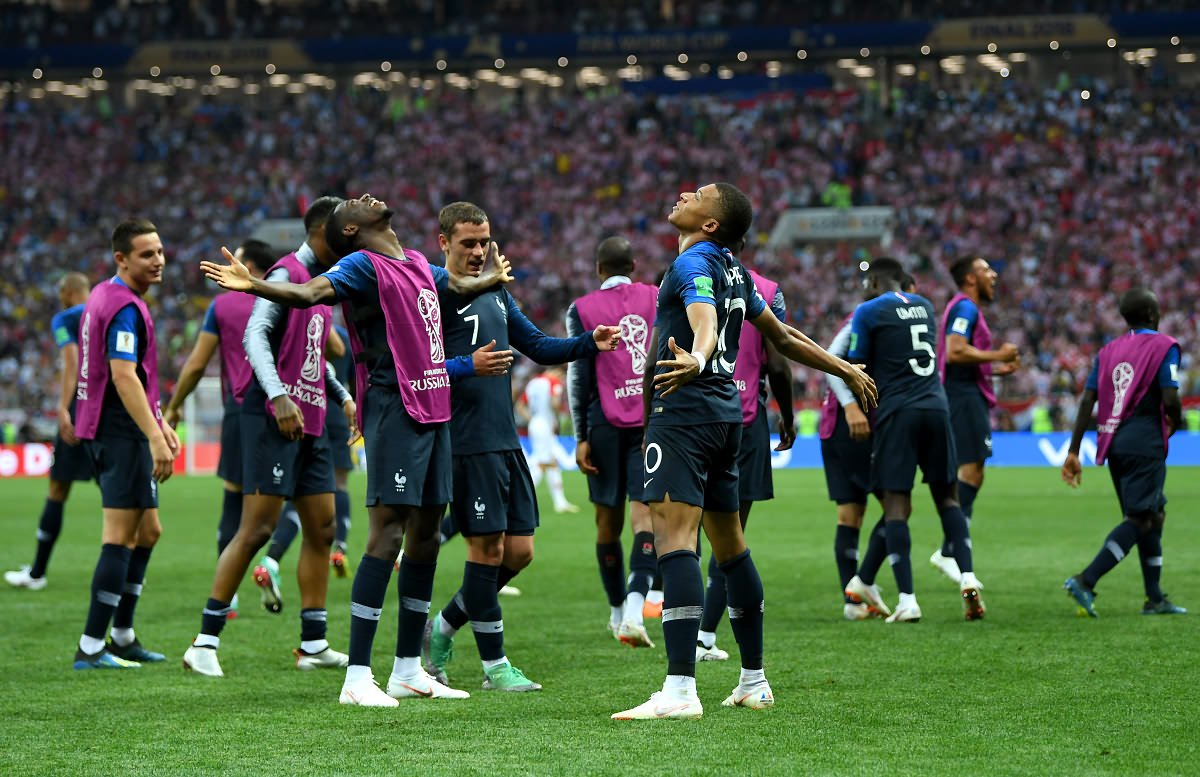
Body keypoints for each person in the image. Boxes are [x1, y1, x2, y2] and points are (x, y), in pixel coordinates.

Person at [201, 193, 513, 706]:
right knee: (386, 535)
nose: (367, 197)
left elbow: (455, 285)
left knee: (427, 537)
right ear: (350, 228)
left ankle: (408, 670)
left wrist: (490, 279)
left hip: (435, 405)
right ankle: (357, 677)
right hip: (394, 409)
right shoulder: (361, 266)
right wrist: (255, 284)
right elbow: (309, 293)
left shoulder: (415, 261)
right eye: (356, 203)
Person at [612, 183, 876, 720]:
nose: (685, 193)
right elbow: (783, 337)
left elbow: (704, 322)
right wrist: (842, 366)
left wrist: (697, 357)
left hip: (685, 414)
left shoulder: (691, 264)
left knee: (676, 542)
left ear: (710, 224)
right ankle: (754, 680)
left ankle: (680, 690)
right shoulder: (735, 270)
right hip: (728, 418)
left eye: (699, 195)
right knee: (731, 547)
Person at [422, 201, 621, 693]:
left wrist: (589, 342)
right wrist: (466, 366)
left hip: (506, 439)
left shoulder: (496, 291)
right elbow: (419, 370)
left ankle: (442, 626)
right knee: (486, 550)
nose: (478, 251)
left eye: (484, 242)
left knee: (520, 551)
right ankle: (495, 667)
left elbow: (537, 344)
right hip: (466, 441)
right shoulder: (433, 294)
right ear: (443, 242)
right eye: (468, 243)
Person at [183, 197, 354, 678]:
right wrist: (278, 396)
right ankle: (204, 642)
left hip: (312, 420)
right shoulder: (285, 274)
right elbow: (255, 336)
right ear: (322, 231)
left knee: (321, 529)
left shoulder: (322, 285)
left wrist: (343, 397)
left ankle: (313, 643)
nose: (352, 240)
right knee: (256, 529)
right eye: (345, 232)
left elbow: (312, 356)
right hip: (274, 418)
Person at [842, 257, 985, 625]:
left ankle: (908, 600)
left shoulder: (867, 311)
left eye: (867, 282)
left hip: (898, 413)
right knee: (948, 497)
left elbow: (857, 366)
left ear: (876, 281)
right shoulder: (925, 306)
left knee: (896, 505)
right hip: (937, 407)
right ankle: (968, 576)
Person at [72, 218, 178, 669]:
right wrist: (153, 434)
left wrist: (160, 421)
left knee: (148, 530)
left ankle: (122, 635)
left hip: (109, 425)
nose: (158, 260)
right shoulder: (124, 308)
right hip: (120, 432)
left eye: (160, 251)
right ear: (121, 259)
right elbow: (123, 375)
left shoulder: (104, 294)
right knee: (119, 535)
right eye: (146, 254)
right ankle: (91, 646)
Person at [161, 239, 275, 618]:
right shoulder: (287, 299)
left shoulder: (223, 305)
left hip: (242, 412)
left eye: (234, 261)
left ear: (250, 267)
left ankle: (229, 596)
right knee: (298, 500)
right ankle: (275, 563)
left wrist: (175, 406)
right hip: (288, 410)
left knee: (234, 501)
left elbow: (196, 364)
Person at [1062, 288, 1185, 617]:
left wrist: (1073, 451)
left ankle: (1154, 598)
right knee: (1140, 519)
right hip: (1145, 439)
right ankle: (1085, 580)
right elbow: (1170, 397)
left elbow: (1087, 401)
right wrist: (1176, 421)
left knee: (1154, 513)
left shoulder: (1107, 351)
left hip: (1113, 441)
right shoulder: (1164, 346)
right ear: (1152, 314)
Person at [696, 260, 795, 660]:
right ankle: (704, 635)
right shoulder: (768, 290)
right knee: (732, 534)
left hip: (695, 414)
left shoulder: (691, 274)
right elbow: (779, 362)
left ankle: (682, 627)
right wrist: (787, 416)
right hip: (745, 419)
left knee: (687, 530)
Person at [565, 235, 660, 646]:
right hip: (649, 423)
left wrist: (580, 436)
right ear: (634, 266)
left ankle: (618, 611)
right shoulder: (657, 297)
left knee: (607, 523)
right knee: (645, 520)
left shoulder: (581, 309)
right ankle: (635, 612)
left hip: (603, 423)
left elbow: (579, 375)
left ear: (598, 269)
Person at [826, 274, 921, 621]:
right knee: (898, 506)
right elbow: (831, 360)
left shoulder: (868, 316)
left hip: (839, 425)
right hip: (855, 423)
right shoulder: (866, 316)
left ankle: (853, 600)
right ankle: (861, 583)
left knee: (851, 514)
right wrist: (852, 407)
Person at [929, 256, 1021, 583]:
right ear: (970, 278)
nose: (993, 275)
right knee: (969, 472)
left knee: (974, 472)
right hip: (963, 399)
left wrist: (993, 369)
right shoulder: (965, 308)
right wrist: (999, 354)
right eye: (986, 270)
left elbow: (959, 360)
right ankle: (949, 551)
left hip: (965, 394)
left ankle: (950, 549)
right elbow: (956, 351)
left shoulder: (965, 308)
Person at [6, 272, 94, 591]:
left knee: (57, 490)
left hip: (80, 411)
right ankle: (128, 575)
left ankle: (37, 573)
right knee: (120, 496)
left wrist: (63, 406)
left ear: (69, 292)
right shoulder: (106, 310)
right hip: (110, 413)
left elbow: (71, 361)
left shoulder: (65, 318)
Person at [521, 367, 578, 514]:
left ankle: (560, 502)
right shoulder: (553, 381)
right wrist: (558, 417)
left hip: (536, 423)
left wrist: (532, 419)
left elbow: (520, 406)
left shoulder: (533, 382)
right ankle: (520, 497)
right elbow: (554, 403)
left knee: (552, 463)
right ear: (557, 371)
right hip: (545, 425)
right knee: (543, 463)